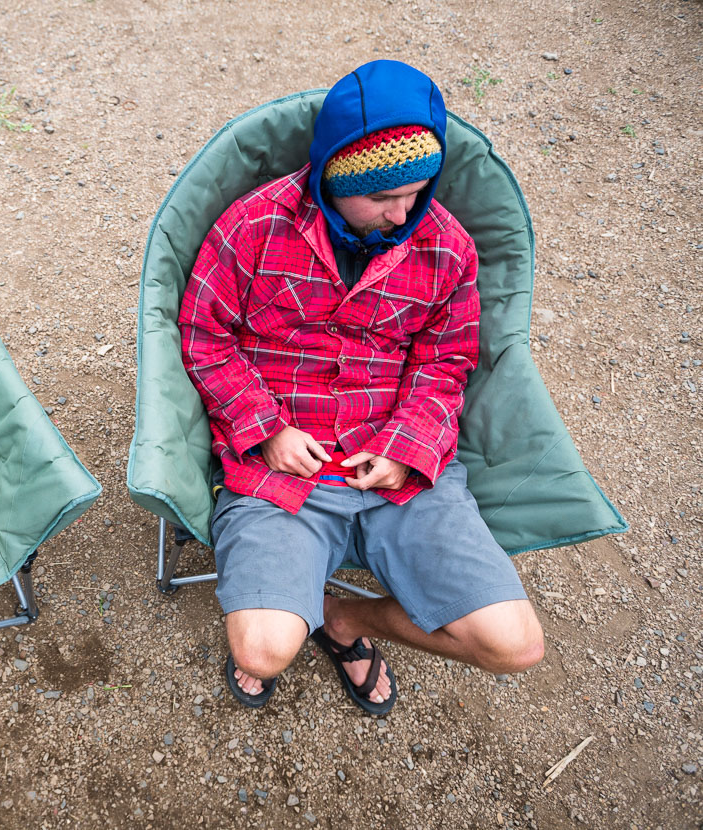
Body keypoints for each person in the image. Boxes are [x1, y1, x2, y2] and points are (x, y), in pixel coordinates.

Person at [179, 60, 544, 713]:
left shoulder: (446, 247)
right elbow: (204, 335)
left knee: (514, 646)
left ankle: (346, 620)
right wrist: (263, 430)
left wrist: (407, 447)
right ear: (331, 177)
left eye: (415, 193)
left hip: (394, 472)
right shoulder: (252, 227)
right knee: (260, 651)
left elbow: (445, 361)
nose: (402, 213)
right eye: (381, 199)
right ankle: (293, 603)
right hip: (282, 476)